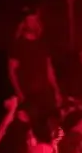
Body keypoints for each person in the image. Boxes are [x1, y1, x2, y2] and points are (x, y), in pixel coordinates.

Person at [9, 8, 62, 140]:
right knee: (34, 130)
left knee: (51, 128)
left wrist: (56, 90)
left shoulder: (42, 44)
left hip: (45, 93)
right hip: (30, 95)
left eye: (35, 20)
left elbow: (49, 69)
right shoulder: (18, 44)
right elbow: (11, 71)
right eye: (30, 20)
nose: (33, 23)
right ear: (25, 23)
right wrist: (19, 93)